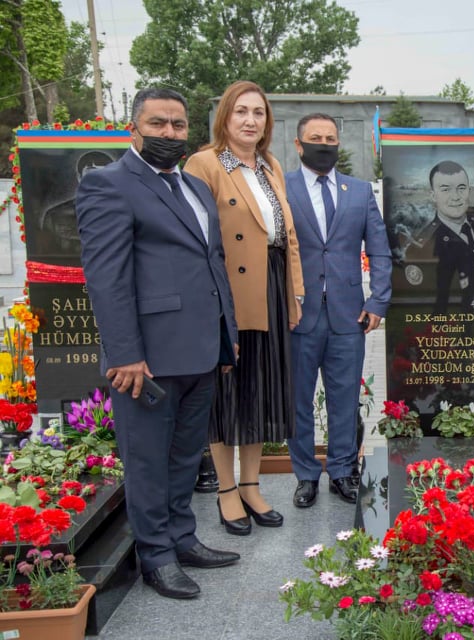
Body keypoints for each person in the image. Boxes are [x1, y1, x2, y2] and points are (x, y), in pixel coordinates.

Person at [76, 87, 240, 599]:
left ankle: (183, 539)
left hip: (201, 349)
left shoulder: (195, 186)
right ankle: (156, 557)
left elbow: (211, 262)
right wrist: (125, 353)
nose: (169, 133)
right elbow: (106, 278)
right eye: (158, 124)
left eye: (178, 124)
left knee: (186, 455)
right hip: (146, 358)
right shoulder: (108, 184)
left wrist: (226, 335)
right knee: (148, 460)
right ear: (134, 129)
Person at [183, 80, 305, 535]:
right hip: (229, 292)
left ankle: (252, 486)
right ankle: (227, 490)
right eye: (241, 112)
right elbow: (196, 239)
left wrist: (294, 292)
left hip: (270, 286)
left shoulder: (271, 164)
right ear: (225, 118)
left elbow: (287, 238)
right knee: (228, 392)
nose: (251, 120)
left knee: (260, 389)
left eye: (258, 112)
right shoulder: (204, 163)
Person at [284, 113, 391, 506]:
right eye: (316, 138)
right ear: (299, 144)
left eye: (330, 138)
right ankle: (305, 475)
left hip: (349, 315)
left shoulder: (359, 191)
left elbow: (379, 249)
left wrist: (378, 299)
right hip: (297, 315)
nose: (324, 144)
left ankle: (343, 471)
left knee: (344, 399)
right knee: (298, 400)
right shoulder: (281, 188)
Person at [398, 160, 474, 313]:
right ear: (433, 196)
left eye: (461, 188)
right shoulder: (424, 243)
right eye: (445, 189)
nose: (456, 197)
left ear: (469, 191)